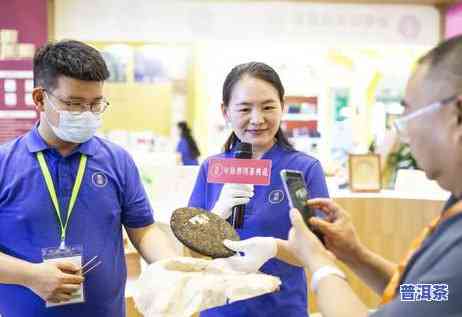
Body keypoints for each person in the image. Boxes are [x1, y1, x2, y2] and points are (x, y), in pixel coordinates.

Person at [286, 35, 462, 316]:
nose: (405, 136)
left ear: (457, 114)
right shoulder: (454, 206)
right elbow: (430, 295)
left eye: (409, 116)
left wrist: (318, 262)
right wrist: (355, 255)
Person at [0, 40, 177, 317]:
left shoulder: (117, 160)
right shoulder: (4, 164)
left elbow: (143, 230)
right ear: (39, 98)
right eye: (74, 104)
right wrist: (30, 275)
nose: (87, 114)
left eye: (96, 104)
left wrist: (172, 267)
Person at [188, 62, 329, 316]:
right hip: (217, 308)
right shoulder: (212, 168)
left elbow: (317, 252)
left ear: (282, 107)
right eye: (244, 108)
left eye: (268, 107)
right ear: (225, 111)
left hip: (281, 308)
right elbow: (189, 251)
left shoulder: (304, 169)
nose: (257, 119)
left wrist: (274, 247)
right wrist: (216, 214)